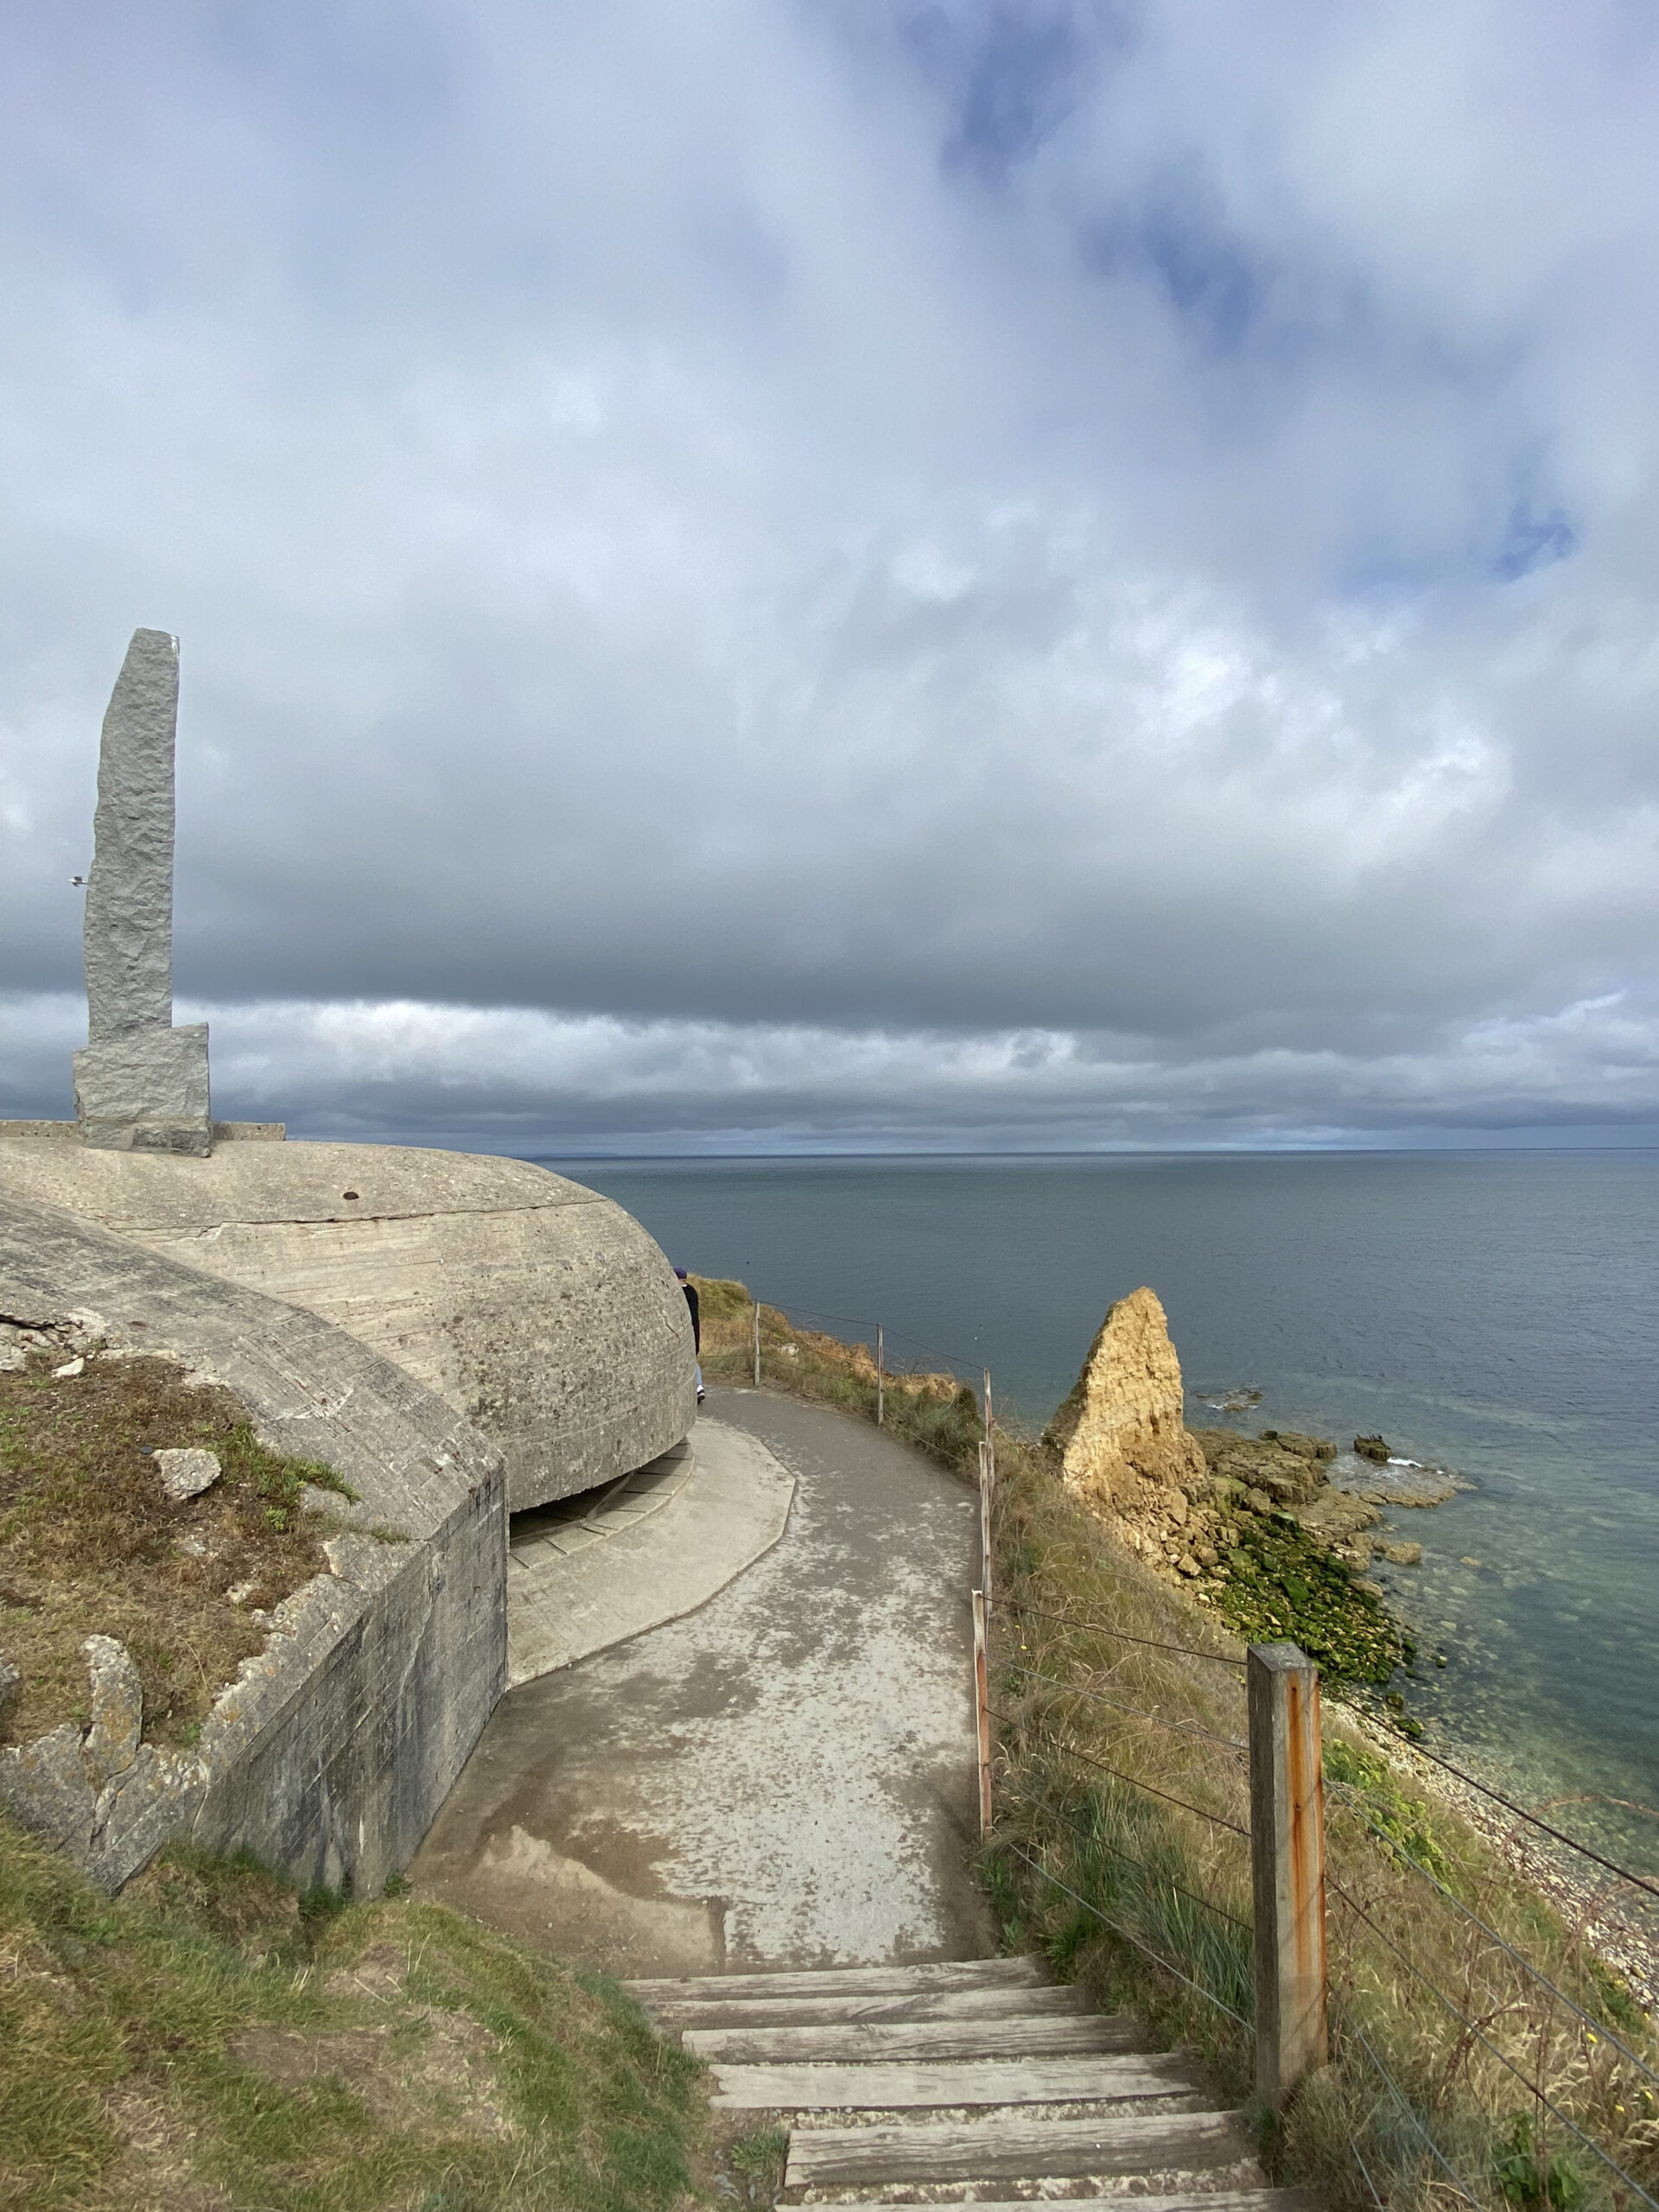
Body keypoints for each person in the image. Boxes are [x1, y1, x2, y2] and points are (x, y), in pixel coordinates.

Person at [674, 1268, 703, 1402]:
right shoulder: (692, 1291)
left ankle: (695, 1387)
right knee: (693, 1358)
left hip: (686, 1329)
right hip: (695, 1328)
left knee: (687, 1358)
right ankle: (699, 1387)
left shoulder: (679, 1293)